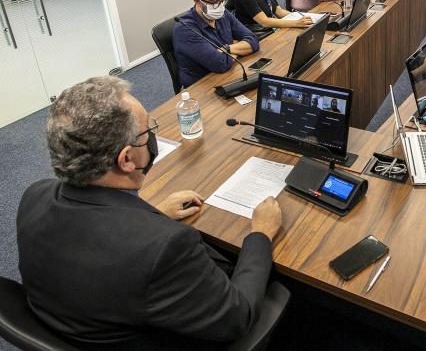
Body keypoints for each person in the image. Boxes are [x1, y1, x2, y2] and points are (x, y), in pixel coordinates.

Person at [17, 76, 281, 348]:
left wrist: (152, 216)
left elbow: (101, 239)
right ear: (127, 159)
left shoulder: (35, 195)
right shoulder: (164, 248)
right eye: (147, 133)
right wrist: (260, 233)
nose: (152, 137)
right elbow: (237, 317)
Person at [173, 0, 259, 87]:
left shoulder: (223, 14)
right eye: (214, 1)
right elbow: (220, 64)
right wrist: (238, 47)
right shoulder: (184, 29)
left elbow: (253, 40)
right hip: (202, 88)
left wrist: (227, 49)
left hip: (230, 74)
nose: (220, 5)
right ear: (198, 2)